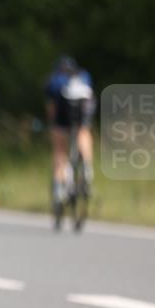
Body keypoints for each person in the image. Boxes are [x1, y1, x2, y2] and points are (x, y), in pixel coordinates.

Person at [45, 55, 95, 208]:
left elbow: (52, 109)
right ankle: (87, 165)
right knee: (83, 131)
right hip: (82, 110)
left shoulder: (54, 81)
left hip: (62, 114)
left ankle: (60, 189)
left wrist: (52, 125)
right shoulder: (83, 76)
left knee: (60, 150)